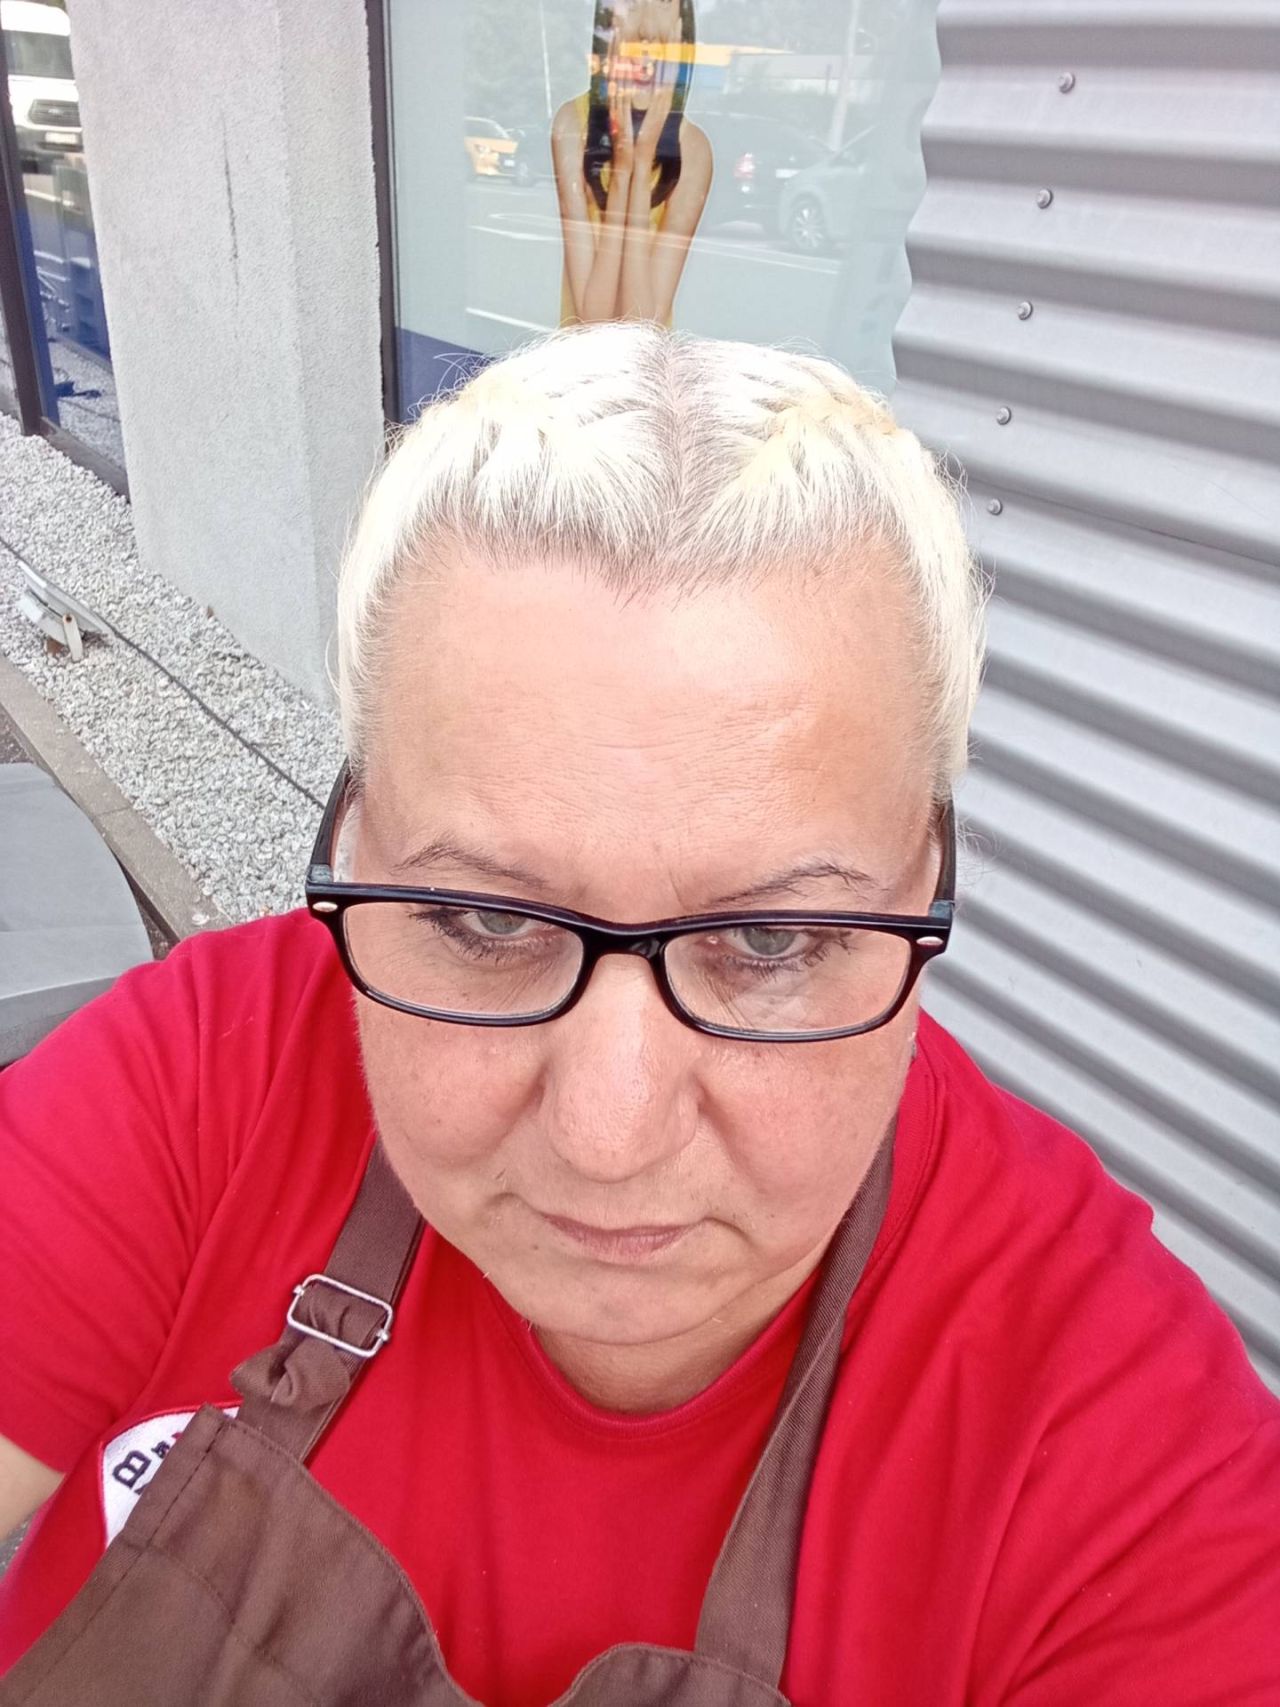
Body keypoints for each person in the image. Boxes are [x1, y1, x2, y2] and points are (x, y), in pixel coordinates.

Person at [0, 324, 1277, 1705]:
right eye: (485, 921)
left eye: (769, 939)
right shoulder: (214, 1072)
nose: (606, 1137)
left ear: (926, 880)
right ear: (358, 837)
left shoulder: (1108, 1443)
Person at [553, 0, 711, 325]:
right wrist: (623, 171)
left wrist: (640, 169)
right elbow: (593, 320)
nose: (647, 28)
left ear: (682, 27)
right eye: (633, 4)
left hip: (646, 359)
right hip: (580, 356)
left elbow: (642, 326)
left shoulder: (693, 150)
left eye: (663, 4)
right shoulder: (572, 125)